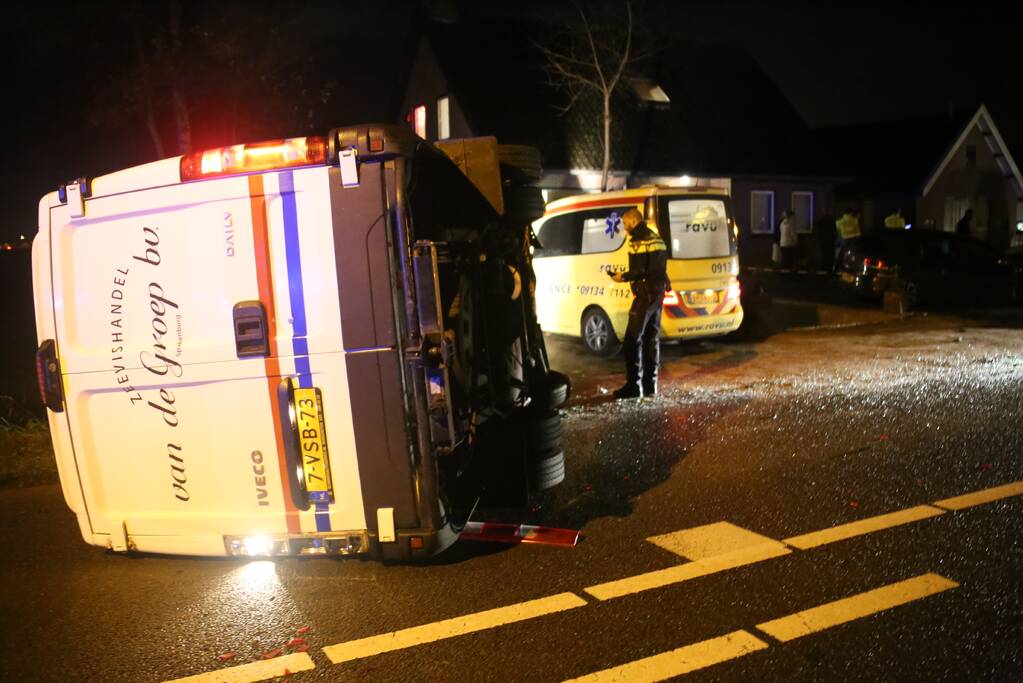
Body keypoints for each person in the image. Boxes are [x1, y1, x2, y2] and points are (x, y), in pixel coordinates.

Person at [609, 208, 669, 399]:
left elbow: (638, 270)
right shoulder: (656, 237)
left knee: (631, 339)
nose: (624, 228)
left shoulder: (638, 240)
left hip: (645, 295)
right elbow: (659, 267)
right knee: (652, 338)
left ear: (633, 221)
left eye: (625, 224)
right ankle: (651, 385)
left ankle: (633, 386)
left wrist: (621, 277)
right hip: (658, 294)